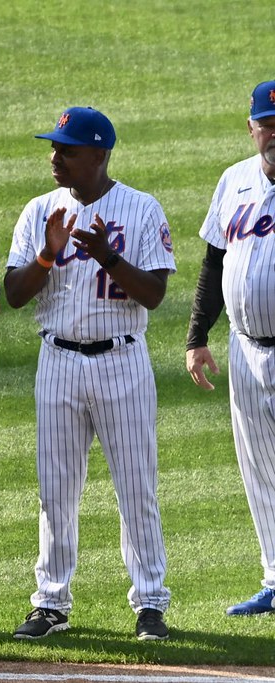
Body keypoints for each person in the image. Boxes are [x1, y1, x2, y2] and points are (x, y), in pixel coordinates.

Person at [4, 107, 174, 641]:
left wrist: (107, 256)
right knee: (55, 489)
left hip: (122, 361)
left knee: (135, 485)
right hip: (57, 360)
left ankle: (150, 603)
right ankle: (50, 602)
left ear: (99, 155)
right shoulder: (39, 210)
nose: (55, 158)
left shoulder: (142, 209)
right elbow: (13, 294)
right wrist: (49, 256)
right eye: (54, 149)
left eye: (68, 150)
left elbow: (154, 293)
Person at [186, 80, 275, 616]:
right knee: (260, 469)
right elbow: (214, 263)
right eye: (267, 123)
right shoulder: (234, 180)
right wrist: (197, 337)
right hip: (244, 351)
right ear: (252, 128)